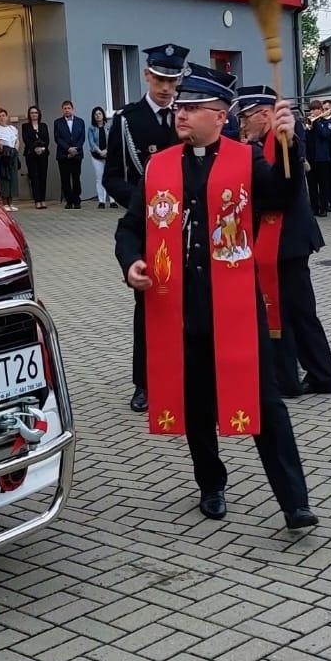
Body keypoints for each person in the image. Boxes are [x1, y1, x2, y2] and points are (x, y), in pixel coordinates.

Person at [113, 65, 317, 530]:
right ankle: (211, 483)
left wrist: (290, 142)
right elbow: (129, 229)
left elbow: (282, 194)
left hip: (236, 309)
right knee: (198, 405)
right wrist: (131, 264)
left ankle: (294, 501)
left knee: (267, 404)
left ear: (221, 115)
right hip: (180, 308)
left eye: (191, 108)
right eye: (178, 107)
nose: (179, 114)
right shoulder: (160, 165)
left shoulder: (246, 160)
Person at [237, 87, 331, 400]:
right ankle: (299, 376)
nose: (241, 124)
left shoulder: (283, 140)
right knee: (290, 310)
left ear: (264, 115)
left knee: (297, 311)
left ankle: (319, 375)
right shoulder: (260, 143)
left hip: (288, 239)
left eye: (245, 116)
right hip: (278, 239)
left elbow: (283, 184)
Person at [105, 44, 186, 413]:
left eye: (173, 80)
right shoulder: (127, 120)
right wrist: (145, 202)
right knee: (148, 306)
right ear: (147, 76)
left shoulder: (188, 114)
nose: (167, 88)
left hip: (189, 222)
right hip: (152, 224)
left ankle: (188, 375)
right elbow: (113, 178)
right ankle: (146, 383)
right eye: (160, 79)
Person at [54, 100, 87, 209]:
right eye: (65, 108)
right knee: (65, 178)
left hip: (77, 154)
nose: (67, 110)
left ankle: (77, 200)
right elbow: (57, 138)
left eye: (69, 108)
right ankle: (69, 201)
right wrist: (68, 149)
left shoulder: (80, 121)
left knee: (76, 178)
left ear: (73, 109)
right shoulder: (57, 122)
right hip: (63, 155)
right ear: (62, 110)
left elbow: (82, 137)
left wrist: (75, 149)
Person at [0, 108, 21, 211]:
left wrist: (15, 150)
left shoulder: (12, 128)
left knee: (12, 178)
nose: (2, 118)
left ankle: (11, 202)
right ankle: (4, 203)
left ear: (7, 117)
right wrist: (3, 149)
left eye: (3, 115)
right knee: (4, 179)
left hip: (12, 155)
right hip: (3, 156)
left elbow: (17, 141)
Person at [22, 105, 51, 210]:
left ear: (39, 114)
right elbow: (26, 139)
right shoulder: (25, 126)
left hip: (43, 154)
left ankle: (43, 200)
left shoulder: (43, 125)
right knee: (34, 177)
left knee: (43, 176)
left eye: (36, 113)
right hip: (31, 154)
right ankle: (37, 201)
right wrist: (35, 148)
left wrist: (42, 149)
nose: (34, 114)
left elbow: (47, 139)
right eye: (32, 113)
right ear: (29, 115)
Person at [89, 106, 112, 209]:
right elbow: (91, 143)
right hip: (96, 156)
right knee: (99, 178)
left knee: (110, 177)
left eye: (99, 114)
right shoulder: (91, 128)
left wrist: (106, 150)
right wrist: (100, 152)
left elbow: (112, 140)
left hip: (109, 155)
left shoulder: (109, 126)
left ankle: (112, 200)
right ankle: (101, 201)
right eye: (95, 114)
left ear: (103, 115)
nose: (98, 116)